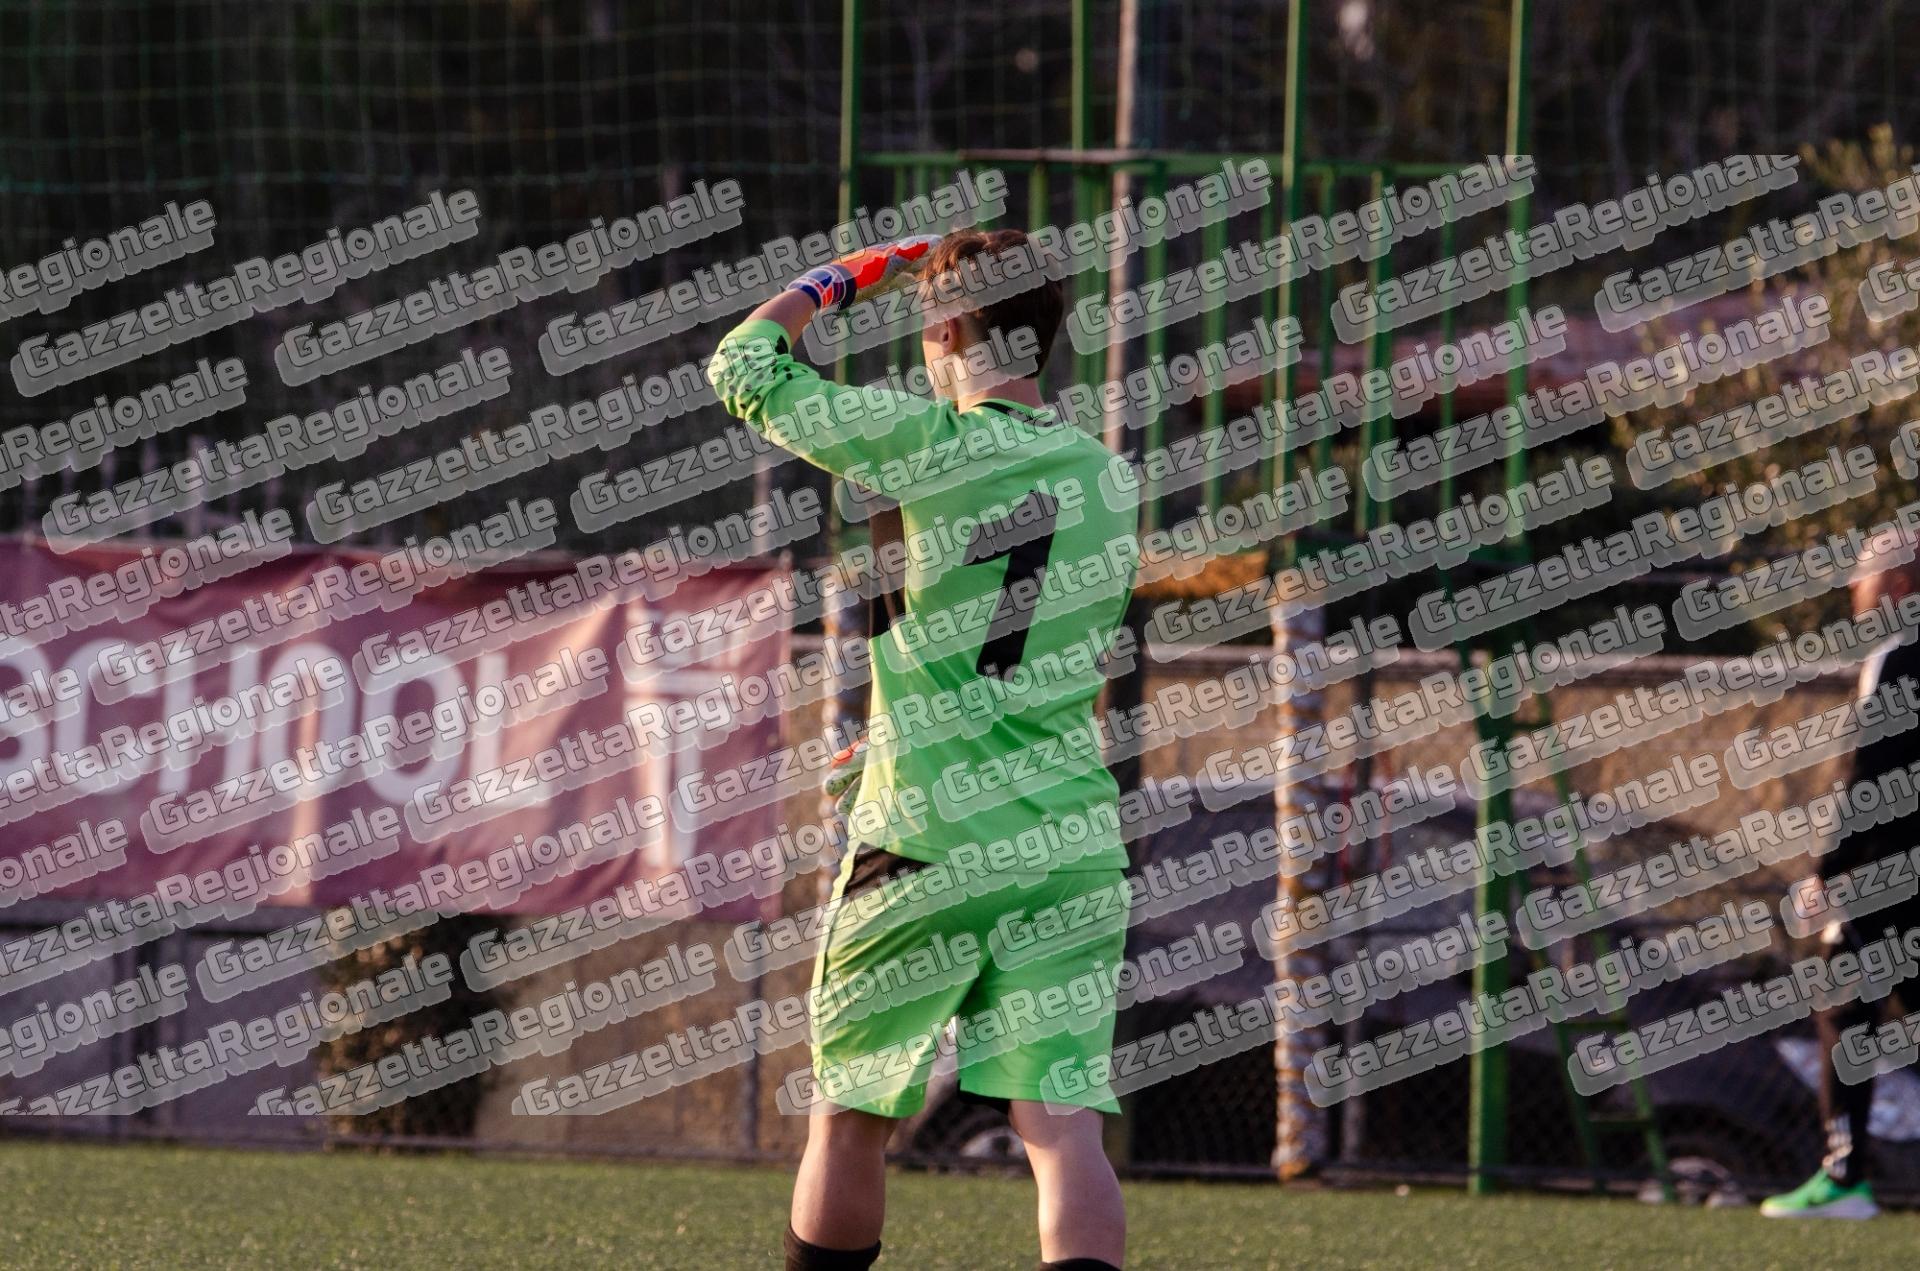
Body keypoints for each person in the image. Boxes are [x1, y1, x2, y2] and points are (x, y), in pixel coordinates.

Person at [708, 229, 1141, 1270]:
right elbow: (1031, 647)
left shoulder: (921, 442)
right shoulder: (1108, 478)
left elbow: (742, 364)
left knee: (851, 1116)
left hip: (923, 838)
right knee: (1063, 1129)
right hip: (1070, 846)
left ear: (947, 328)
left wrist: (844, 276)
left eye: (925, 325)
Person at [1762, 530, 1920, 1219]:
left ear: (1897, 586)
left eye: (1864, 576)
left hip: (1889, 876)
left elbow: (1872, 777)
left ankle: (1844, 1176)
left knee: (1844, 1005)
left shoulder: (1899, 656)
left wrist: (1827, 869)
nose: (1854, 588)